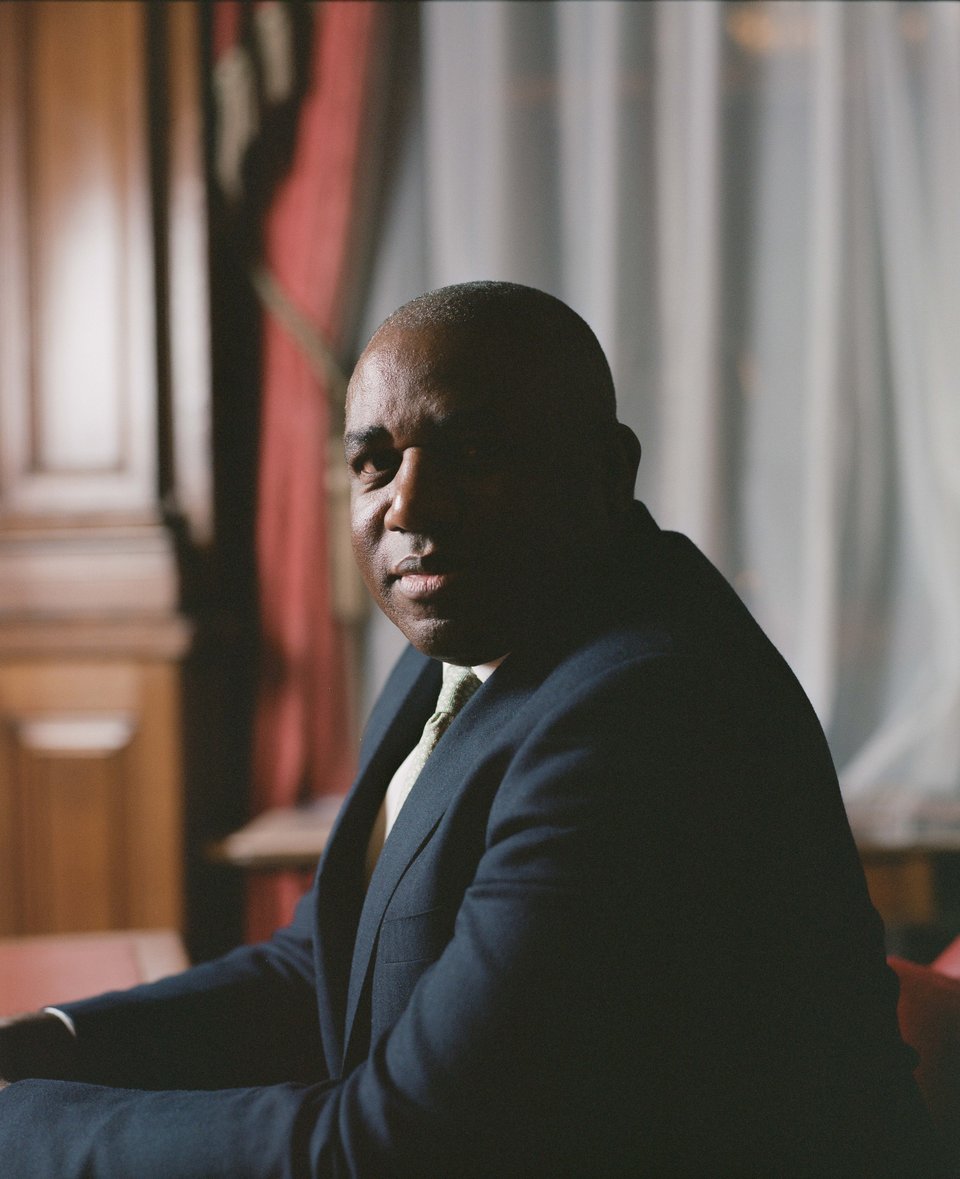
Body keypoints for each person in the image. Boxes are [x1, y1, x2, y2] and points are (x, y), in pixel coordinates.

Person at [0, 281, 940, 1176]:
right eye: (375, 461)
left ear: (610, 472)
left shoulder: (645, 712)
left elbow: (403, 1146)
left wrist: (21, 1130)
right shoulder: (472, 635)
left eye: (476, 452)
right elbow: (320, 967)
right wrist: (46, 1042)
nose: (407, 505)